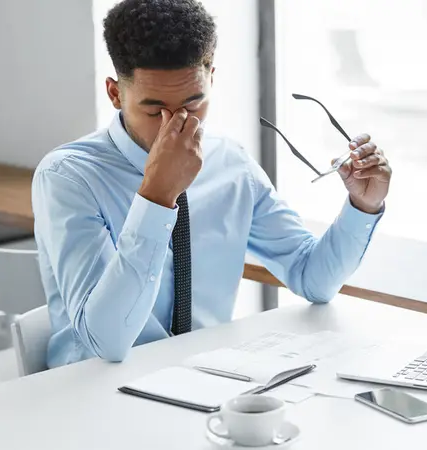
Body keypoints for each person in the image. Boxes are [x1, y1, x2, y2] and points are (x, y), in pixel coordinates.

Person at [32, 0, 392, 368]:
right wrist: (157, 196)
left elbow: (311, 277)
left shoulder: (231, 164)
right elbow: (105, 342)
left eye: (195, 102)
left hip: (208, 384)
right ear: (115, 93)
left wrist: (363, 206)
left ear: (212, 80)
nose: (177, 124)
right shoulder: (68, 177)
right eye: (155, 111)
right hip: (93, 394)